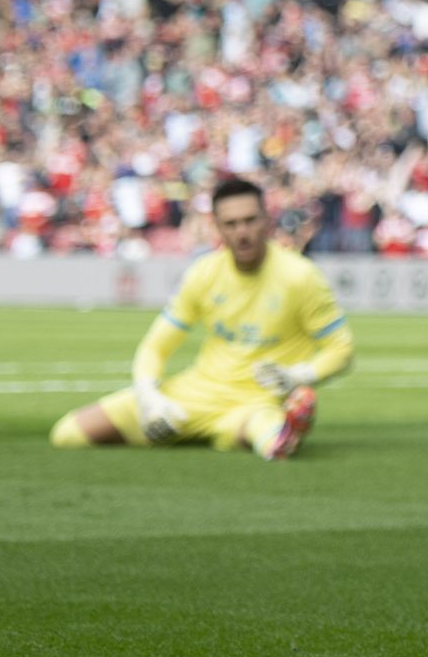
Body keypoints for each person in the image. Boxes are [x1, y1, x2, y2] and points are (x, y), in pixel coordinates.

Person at [49, 177, 354, 461]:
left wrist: (299, 376)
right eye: (231, 224)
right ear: (217, 227)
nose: (242, 232)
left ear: (267, 220)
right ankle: (200, 430)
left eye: (250, 220)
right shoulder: (204, 272)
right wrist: (148, 397)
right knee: (68, 434)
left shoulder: (300, 277)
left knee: (267, 437)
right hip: (191, 396)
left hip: (254, 402)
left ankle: (282, 436)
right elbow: (157, 345)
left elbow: (341, 350)